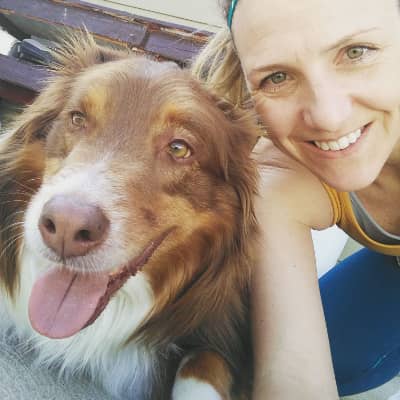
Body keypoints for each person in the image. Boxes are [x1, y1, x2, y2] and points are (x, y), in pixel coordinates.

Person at [192, 0, 400, 398]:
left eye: (356, 52)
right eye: (277, 77)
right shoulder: (280, 174)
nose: (328, 117)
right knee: (325, 357)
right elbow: (293, 374)